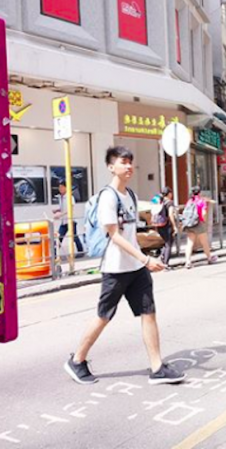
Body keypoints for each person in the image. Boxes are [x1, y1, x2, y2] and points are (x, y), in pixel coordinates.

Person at [64, 146, 185, 385]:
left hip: (136, 269)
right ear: (111, 167)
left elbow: (130, 234)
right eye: (123, 162)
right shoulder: (108, 197)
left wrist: (143, 259)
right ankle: (77, 360)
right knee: (103, 316)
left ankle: (157, 367)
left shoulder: (130, 194)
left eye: (130, 161)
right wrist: (145, 259)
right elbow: (115, 236)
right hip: (116, 269)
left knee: (148, 313)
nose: (129, 166)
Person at [183, 186, 217, 269]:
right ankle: (209, 258)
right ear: (200, 192)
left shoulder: (190, 201)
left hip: (190, 223)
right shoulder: (201, 201)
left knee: (189, 243)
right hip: (199, 223)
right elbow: (204, 213)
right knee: (204, 242)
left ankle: (188, 261)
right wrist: (204, 221)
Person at [53, 181, 84, 256]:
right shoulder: (61, 197)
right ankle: (54, 253)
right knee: (59, 237)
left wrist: (60, 214)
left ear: (66, 188)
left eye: (62, 187)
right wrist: (57, 210)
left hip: (70, 221)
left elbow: (70, 209)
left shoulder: (70, 197)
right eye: (59, 187)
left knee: (74, 237)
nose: (60, 189)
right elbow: (62, 208)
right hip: (64, 221)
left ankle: (81, 251)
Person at [155, 187, 177, 267]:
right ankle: (165, 264)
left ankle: (162, 257)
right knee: (168, 244)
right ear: (169, 194)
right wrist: (174, 226)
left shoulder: (159, 202)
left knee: (166, 242)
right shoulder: (169, 203)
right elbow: (170, 214)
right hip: (167, 225)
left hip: (159, 225)